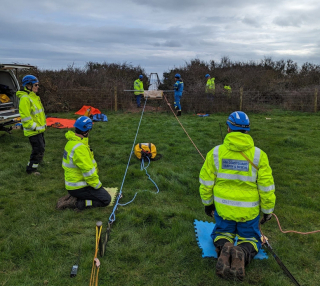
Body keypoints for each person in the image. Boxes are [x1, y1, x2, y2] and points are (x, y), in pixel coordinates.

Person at [199, 111, 276, 281]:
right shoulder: (259, 155)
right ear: (247, 131)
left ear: (228, 128)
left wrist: (208, 204)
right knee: (250, 237)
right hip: (249, 213)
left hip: (223, 209)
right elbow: (266, 187)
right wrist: (267, 211)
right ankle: (243, 252)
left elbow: (205, 183)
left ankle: (224, 247)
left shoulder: (215, 153)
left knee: (221, 233)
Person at [57, 116, 111, 210]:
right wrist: (97, 186)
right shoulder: (80, 148)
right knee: (106, 200)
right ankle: (76, 203)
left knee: (101, 194)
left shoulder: (72, 142)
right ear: (86, 131)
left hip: (73, 183)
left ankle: (74, 197)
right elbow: (88, 171)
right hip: (79, 186)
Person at [16, 75, 46, 175]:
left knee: (42, 147)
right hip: (33, 130)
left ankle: (38, 163)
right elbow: (25, 117)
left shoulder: (34, 97)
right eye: (36, 85)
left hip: (39, 129)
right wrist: (33, 126)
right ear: (28, 86)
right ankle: (31, 170)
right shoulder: (25, 99)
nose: (38, 87)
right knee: (37, 149)